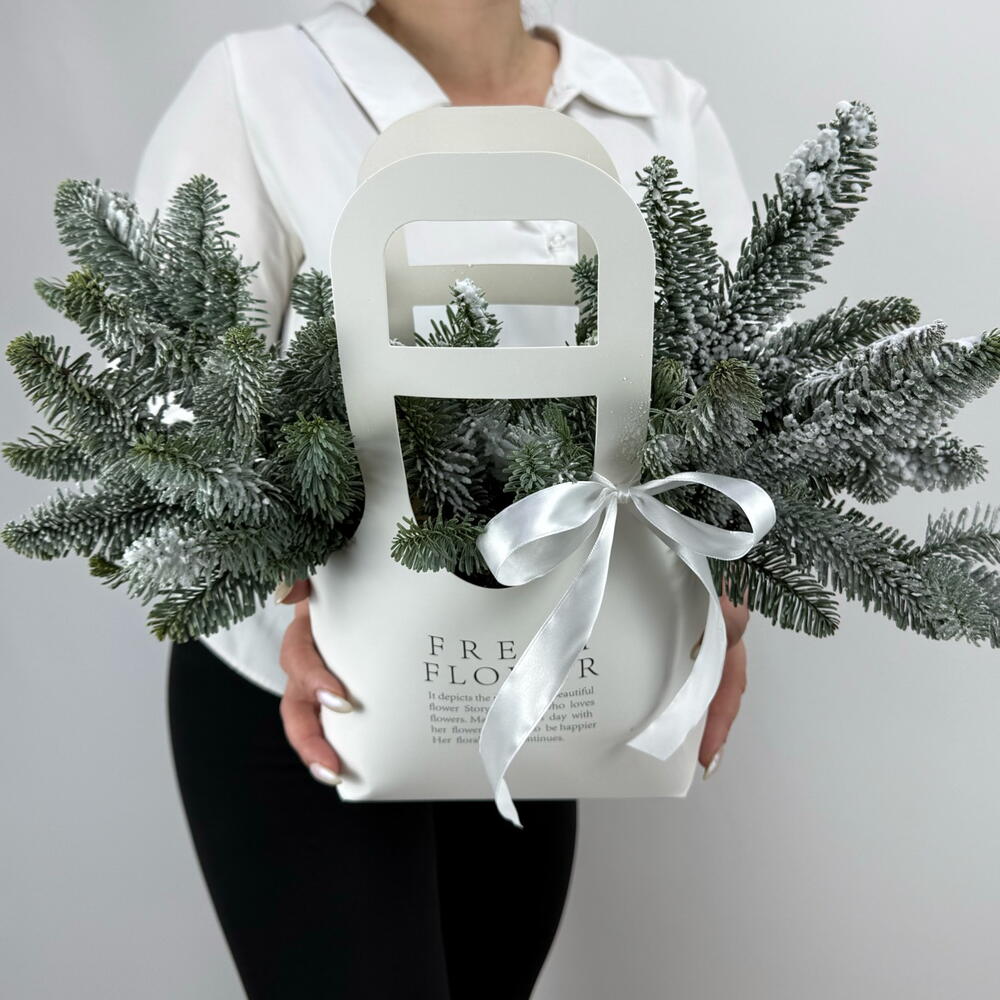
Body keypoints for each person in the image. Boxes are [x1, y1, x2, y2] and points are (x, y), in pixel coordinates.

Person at [134, 1, 753, 996]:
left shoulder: (651, 111)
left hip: (549, 680)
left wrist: (722, 597)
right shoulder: (263, 86)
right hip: (315, 690)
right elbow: (174, 408)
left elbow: (739, 401)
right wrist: (279, 595)